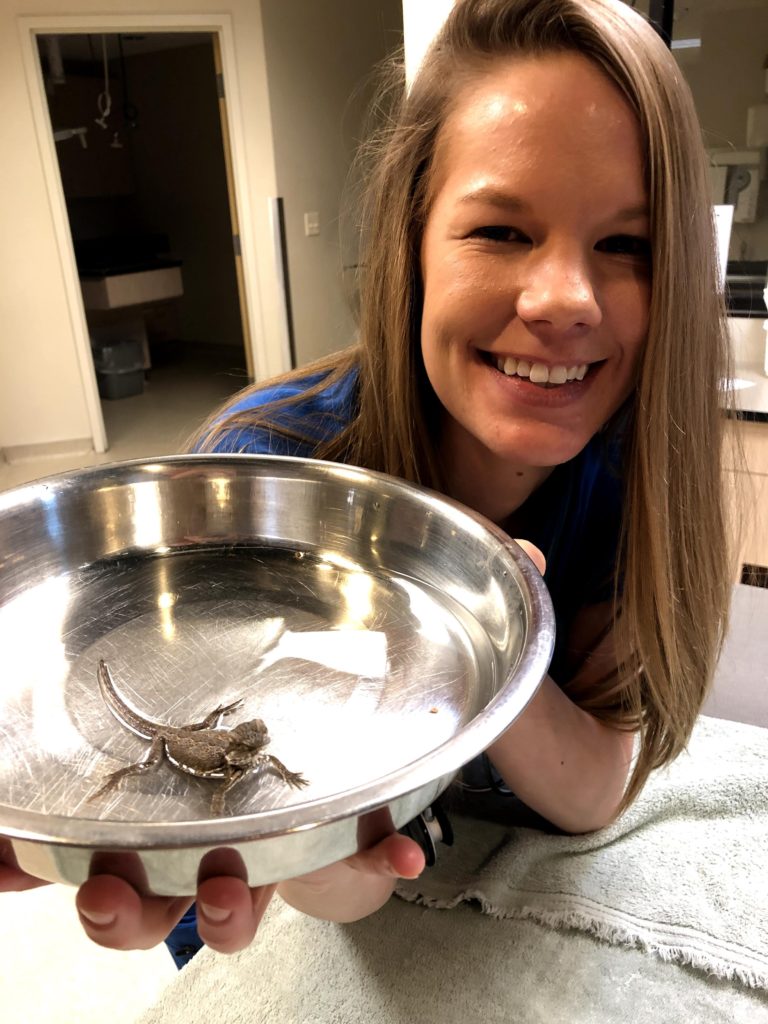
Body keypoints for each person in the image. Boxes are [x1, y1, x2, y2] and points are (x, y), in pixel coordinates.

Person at [1, 0, 733, 959]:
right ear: (412, 243)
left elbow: (594, 785)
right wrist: (316, 859)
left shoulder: (631, 468)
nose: (565, 298)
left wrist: (486, 622)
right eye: (502, 230)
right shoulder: (257, 477)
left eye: (626, 245)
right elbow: (302, 883)